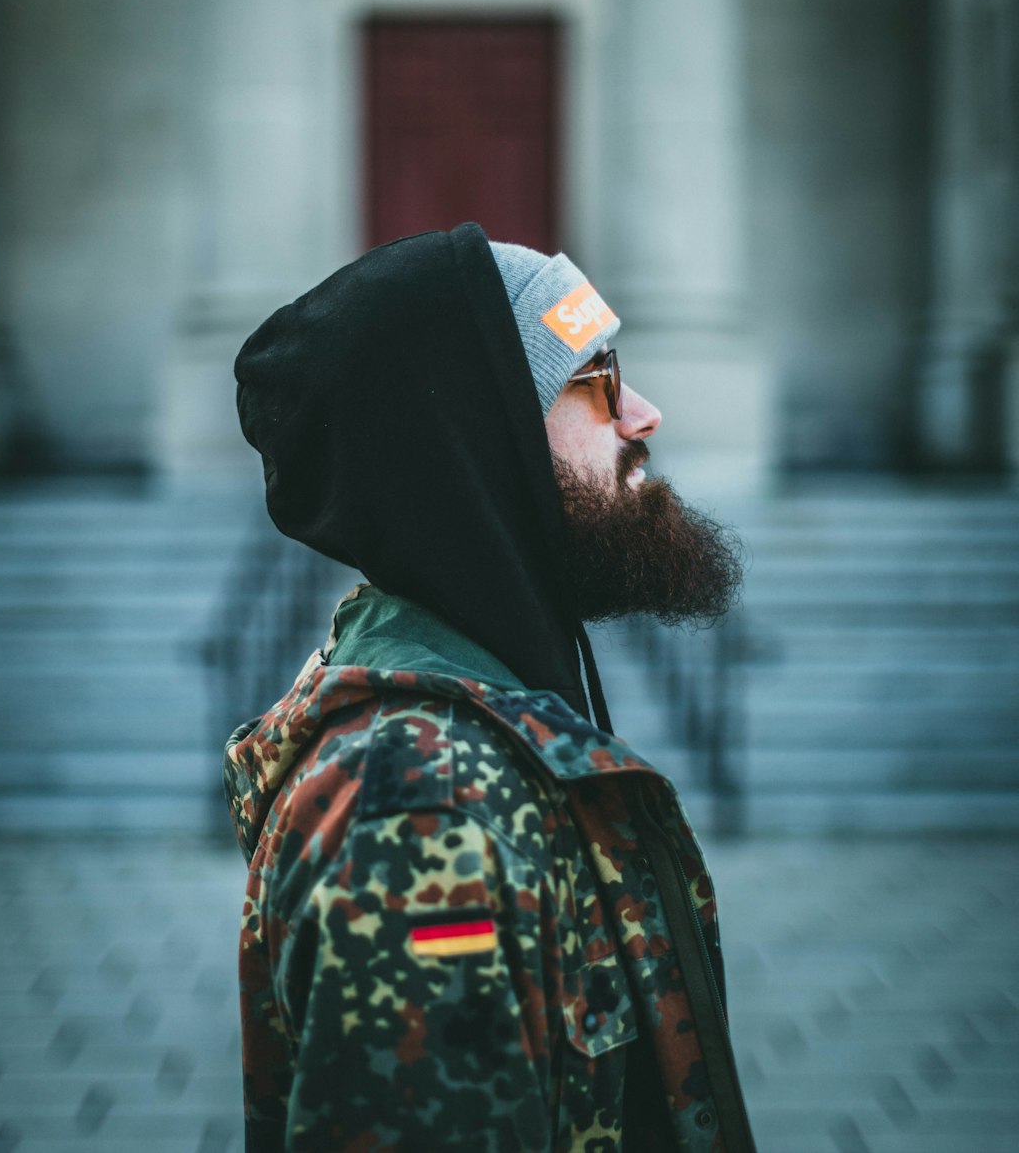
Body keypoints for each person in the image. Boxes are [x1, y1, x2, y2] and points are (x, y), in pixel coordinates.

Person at [225, 223, 756, 1152]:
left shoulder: (487, 731)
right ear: (479, 439)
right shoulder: (423, 813)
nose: (643, 413)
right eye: (594, 377)